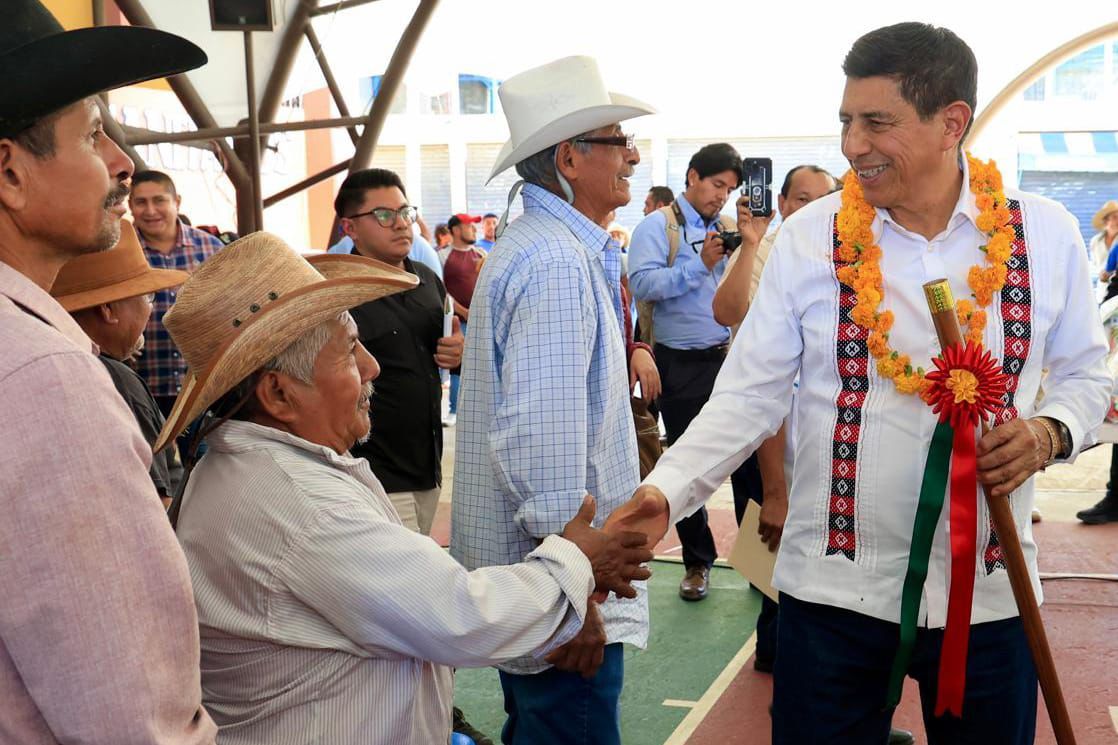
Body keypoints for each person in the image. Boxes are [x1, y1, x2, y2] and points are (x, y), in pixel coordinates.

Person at [609, 22, 1110, 745]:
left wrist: (1050, 432)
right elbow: (749, 395)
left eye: (877, 122)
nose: (851, 144)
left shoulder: (1046, 232)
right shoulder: (810, 237)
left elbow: (1087, 377)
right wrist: (665, 491)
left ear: (952, 123)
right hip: (831, 597)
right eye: (846, 120)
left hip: (991, 597)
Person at [159, 234, 652, 744]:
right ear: (279, 394)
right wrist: (577, 560)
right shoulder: (300, 503)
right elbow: (463, 616)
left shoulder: (251, 471)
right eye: (349, 350)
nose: (371, 366)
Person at [0, 2, 216, 742]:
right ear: (9, 172)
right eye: (93, 134)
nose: (122, 162)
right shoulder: (42, 378)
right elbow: (132, 718)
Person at [450, 55, 661, 745]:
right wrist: (575, 597)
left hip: (550, 581)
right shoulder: (557, 263)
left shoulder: (544, 248)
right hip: (563, 588)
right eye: (617, 141)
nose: (632, 156)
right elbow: (540, 444)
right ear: (570, 158)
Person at [628, 142, 743, 601]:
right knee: (684, 465)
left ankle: (760, 563)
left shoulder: (730, 227)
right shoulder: (658, 227)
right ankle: (697, 562)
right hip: (676, 362)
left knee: (751, 465)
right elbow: (643, 283)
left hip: (728, 358)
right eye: (717, 185)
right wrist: (700, 265)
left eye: (729, 189)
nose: (722, 196)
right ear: (693, 176)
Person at [328, 168, 464, 535]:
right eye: (384, 215)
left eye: (405, 212)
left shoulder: (427, 280)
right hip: (372, 470)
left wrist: (458, 354)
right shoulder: (337, 292)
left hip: (428, 464)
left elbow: (446, 351)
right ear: (350, 227)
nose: (401, 224)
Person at [51, 221, 189, 508]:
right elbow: (159, 505)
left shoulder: (61, 365)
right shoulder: (118, 381)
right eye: (147, 296)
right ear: (108, 310)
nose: (151, 308)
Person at [129, 169, 226, 418]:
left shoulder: (211, 248)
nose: (150, 211)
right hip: (140, 391)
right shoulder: (122, 253)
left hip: (202, 388)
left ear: (177, 202)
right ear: (130, 206)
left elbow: (231, 308)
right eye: (141, 202)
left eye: (159, 200)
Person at [442, 212, 487, 428]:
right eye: (470, 226)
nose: (474, 229)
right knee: (458, 367)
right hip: (457, 323)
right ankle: (454, 410)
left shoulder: (481, 253)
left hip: (480, 320)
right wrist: (464, 312)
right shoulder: (443, 256)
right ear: (457, 230)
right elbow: (441, 291)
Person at [1089, 199, 1118, 277]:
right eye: (1115, 217)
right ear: (1106, 221)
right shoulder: (1095, 241)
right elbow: (1094, 266)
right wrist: (1101, 274)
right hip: (1101, 284)